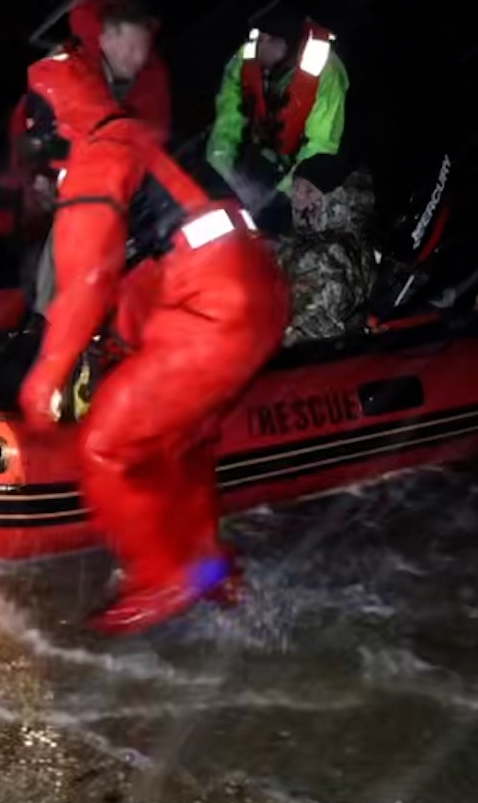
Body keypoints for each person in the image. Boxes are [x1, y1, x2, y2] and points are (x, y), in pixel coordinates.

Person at [16, 46, 288, 637]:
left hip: (213, 315)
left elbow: (85, 285)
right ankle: (212, 569)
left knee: (105, 448)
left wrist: (44, 379)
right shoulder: (146, 137)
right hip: (260, 301)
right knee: (183, 442)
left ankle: (162, 577)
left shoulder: (96, 159)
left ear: (53, 123)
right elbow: (166, 250)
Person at [0, 0, 172, 307]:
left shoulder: (149, 76)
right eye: (131, 48)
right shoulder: (68, 73)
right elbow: (36, 138)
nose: (138, 58)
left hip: (124, 190)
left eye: (143, 49)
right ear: (106, 39)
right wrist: (44, 177)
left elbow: (153, 135)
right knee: (53, 275)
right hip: (69, 191)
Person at [206, 9, 349, 235]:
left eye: (265, 39)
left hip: (294, 174)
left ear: (286, 42)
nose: (256, 46)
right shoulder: (247, 58)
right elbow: (227, 123)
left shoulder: (327, 73)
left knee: (280, 232)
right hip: (255, 160)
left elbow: (321, 146)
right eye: (256, 37)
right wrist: (221, 175)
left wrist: (280, 194)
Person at [279, 154, 378, 345]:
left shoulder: (329, 257)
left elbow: (310, 329)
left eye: (308, 191)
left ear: (336, 200)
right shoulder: (323, 241)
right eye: (296, 188)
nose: (297, 197)